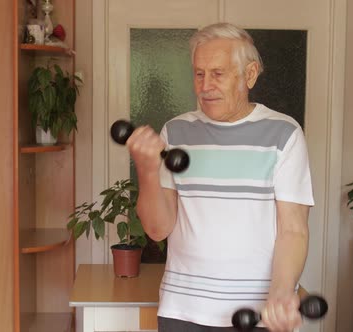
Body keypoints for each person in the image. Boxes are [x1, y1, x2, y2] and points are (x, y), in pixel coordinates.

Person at [126, 22, 314, 332]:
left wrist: (281, 292)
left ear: (249, 74)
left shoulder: (284, 134)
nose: (205, 85)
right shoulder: (176, 132)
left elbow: (293, 230)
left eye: (218, 73)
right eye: (199, 74)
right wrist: (146, 170)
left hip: (255, 314)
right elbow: (158, 229)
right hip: (182, 310)